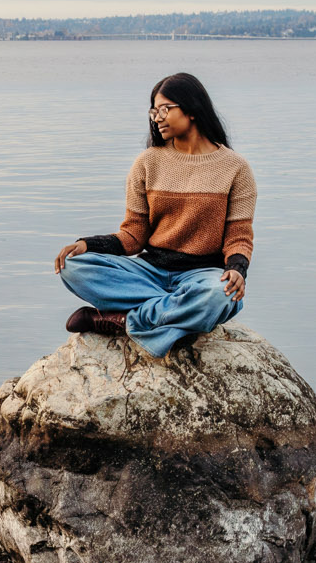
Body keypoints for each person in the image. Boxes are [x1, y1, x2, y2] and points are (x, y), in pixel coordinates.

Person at [52, 72, 255, 356]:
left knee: (219, 295)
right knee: (73, 267)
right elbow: (134, 235)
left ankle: (123, 320)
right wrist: (88, 244)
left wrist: (236, 270)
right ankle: (179, 309)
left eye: (165, 109)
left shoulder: (235, 168)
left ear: (192, 109)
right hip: (150, 271)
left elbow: (239, 237)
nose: (156, 118)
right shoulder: (147, 162)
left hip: (201, 274)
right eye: (153, 110)